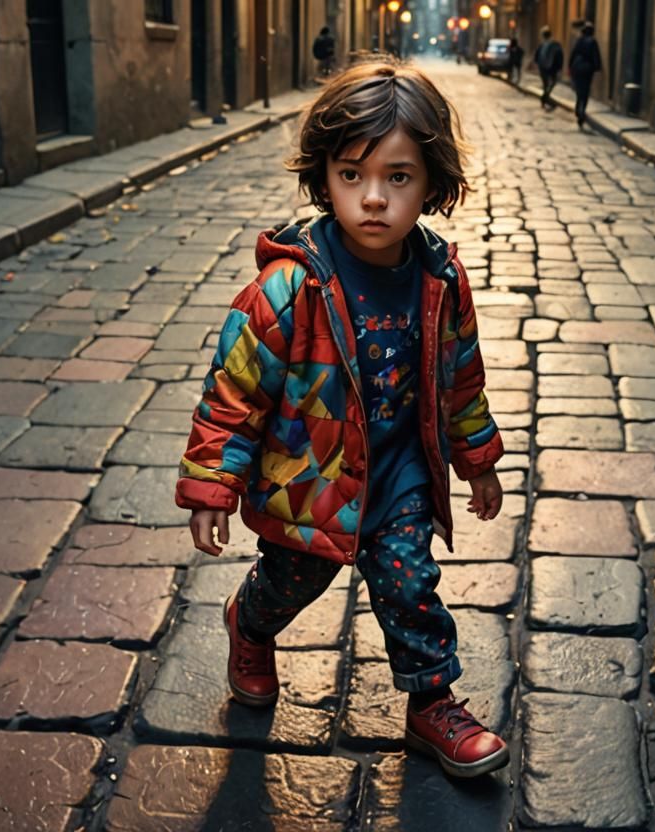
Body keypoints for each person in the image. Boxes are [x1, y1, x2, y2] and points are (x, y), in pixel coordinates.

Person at [175, 62, 509, 780]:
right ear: (323, 176)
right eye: (352, 175)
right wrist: (211, 485)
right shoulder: (288, 286)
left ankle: (432, 704)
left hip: (399, 477)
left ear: (432, 184)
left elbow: (461, 378)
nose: (374, 199)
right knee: (290, 582)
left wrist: (476, 459)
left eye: (399, 177)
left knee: (408, 582)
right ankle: (250, 625)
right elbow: (233, 392)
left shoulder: (439, 279)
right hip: (311, 479)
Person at [569, 22, 602, 129]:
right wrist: (597, 67)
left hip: (577, 67)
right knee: (585, 90)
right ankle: (582, 109)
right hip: (587, 69)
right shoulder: (593, 41)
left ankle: (578, 108)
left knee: (579, 90)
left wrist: (570, 66)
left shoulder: (579, 41)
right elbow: (595, 55)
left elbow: (573, 54)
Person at [532, 27, 563, 109]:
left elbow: (536, 57)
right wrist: (560, 67)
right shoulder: (555, 44)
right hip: (552, 68)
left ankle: (545, 97)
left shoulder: (542, 45)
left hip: (543, 67)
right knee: (552, 82)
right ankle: (545, 97)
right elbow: (560, 56)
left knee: (546, 84)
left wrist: (536, 64)